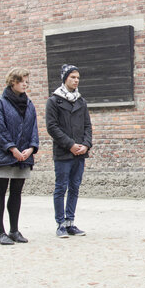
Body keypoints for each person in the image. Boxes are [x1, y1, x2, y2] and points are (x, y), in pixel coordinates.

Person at [0, 67, 39, 245]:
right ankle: (0, 232)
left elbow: (34, 128)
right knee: (0, 191)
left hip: (23, 157)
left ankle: (14, 230)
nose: (25, 84)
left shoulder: (29, 104)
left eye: (27, 81)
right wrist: (12, 148)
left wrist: (31, 149)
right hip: (4, 155)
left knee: (16, 192)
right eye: (22, 80)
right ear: (13, 82)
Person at [46, 64, 92, 238]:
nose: (76, 80)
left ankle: (71, 222)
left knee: (74, 187)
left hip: (80, 153)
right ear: (65, 78)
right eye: (73, 77)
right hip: (64, 152)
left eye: (78, 77)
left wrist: (86, 145)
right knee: (61, 187)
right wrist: (70, 144)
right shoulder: (53, 101)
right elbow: (52, 127)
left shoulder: (81, 101)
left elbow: (88, 126)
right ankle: (60, 224)